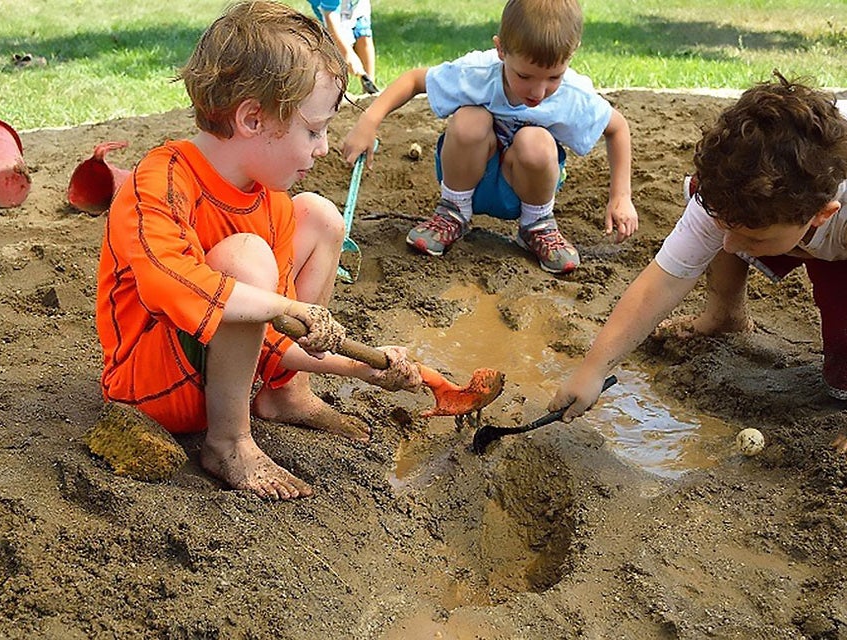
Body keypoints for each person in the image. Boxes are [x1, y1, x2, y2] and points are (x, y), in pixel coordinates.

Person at [95, 1, 421, 501]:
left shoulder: (270, 200)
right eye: (313, 130)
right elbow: (171, 286)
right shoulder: (158, 182)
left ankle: (284, 393)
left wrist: (363, 368)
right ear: (252, 118)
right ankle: (228, 441)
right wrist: (286, 306)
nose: (323, 147)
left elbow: (270, 337)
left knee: (320, 216)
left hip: (225, 374)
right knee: (248, 257)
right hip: (155, 390)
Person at [549, 73, 847, 453]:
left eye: (752, 238)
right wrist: (592, 370)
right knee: (716, 215)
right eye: (724, 226)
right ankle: (724, 317)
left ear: (822, 214)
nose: (729, 245)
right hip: (792, 224)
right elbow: (664, 281)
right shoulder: (730, 193)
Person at [341, 0, 637, 275]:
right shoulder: (478, 72)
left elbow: (617, 128)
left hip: (525, 188)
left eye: (553, 77)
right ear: (501, 50)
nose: (538, 92)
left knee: (535, 140)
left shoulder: (573, 94)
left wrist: (621, 197)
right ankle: (452, 213)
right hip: (468, 176)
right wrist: (369, 122)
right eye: (524, 76)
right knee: (470, 119)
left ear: (571, 56)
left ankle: (537, 225)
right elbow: (415, 79)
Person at [307, 0, 378, 94]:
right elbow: (331, 19)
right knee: (339, 46)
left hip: (354, 3)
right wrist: (347, 53)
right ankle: (335, 92)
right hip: (329, 8)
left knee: (363, 33)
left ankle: (370, 90)